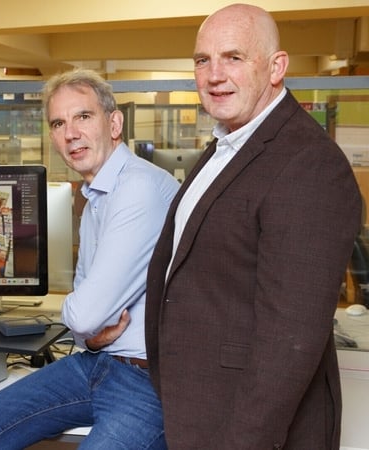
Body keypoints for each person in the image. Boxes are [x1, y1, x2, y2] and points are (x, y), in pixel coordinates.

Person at [144, 4, 362, 449]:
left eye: (234, 57)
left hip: (248, 428)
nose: (214, 75)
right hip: (201, 405)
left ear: (277, 67)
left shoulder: (310, 165)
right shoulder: (230, 142)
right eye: (202, 60)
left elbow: (290, 343)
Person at [0, 69, 179, 449]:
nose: (70, 133)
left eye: (83, 117)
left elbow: (85, 315)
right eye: (58, 123)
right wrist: (89, 335)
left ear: (114, 122)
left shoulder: (138, 188)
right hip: (96, 361)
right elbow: (87, 319)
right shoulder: (94, 194)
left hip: (146, 379)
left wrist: (86, 324)